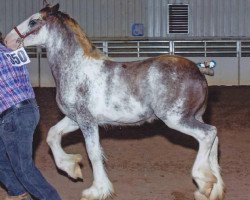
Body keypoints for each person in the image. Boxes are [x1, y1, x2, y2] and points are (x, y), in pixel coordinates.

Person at [0, 32, 61, 200]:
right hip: (30, 109)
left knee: (23, 168)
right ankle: (19, 193)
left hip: (12, 116)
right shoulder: (11, 52)